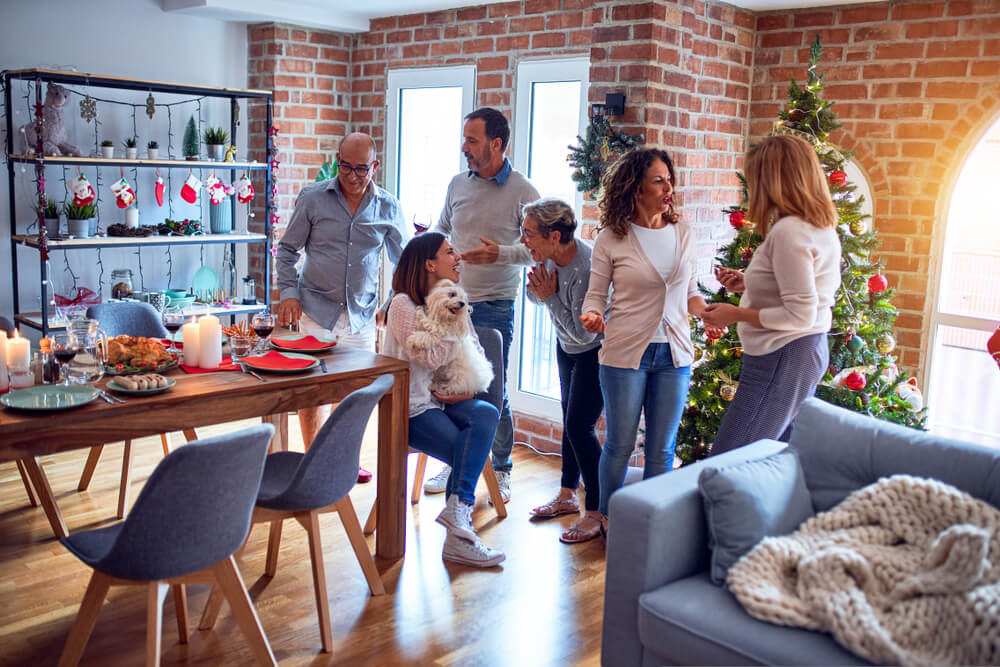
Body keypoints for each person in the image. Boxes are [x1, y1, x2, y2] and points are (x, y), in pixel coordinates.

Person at [580, 148, 723, 533]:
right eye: (658, 180)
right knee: (620, 445)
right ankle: (610, 520)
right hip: (625, 352)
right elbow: (596, 294)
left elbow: (690, 294)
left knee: (662, 448)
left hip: (674, 355)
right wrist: (592, 315)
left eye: (669, 179)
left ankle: (650, 527)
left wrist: (706, 314)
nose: (668, 187)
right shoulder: (612, 237)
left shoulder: (683, 232)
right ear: (635, 186)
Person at [276, 132, 407, 481]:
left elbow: (405, 263)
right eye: (345, 166)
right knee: (313, 392)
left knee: (354, 397)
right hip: (314, 310)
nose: (352, 176)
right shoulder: (313, 199)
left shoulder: (389, 207)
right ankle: (314, 463)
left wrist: (392, 301)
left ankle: (343, 459)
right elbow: (287, 250)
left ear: (374, 166)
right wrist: (289, 292)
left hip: (361, 316)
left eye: (361, 169)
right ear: (337, 161)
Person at [424, 107, 540, 502]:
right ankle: (458, 458)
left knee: (493, 391)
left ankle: (502, 469)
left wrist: (501, 255)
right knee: (450, 384)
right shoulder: (458, 184)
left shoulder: (524, 192)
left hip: (493, 306)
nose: (464, 148)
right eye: (464, 139)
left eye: (471, 140)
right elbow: (443, 226)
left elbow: (538, 250)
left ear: (496, 143)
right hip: (448, 304)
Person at [702, 134, 841, 454]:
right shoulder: (818, 225)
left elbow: (799, 314)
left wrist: (734, 313)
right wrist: (750, 282)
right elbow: (803, 288)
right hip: (801, 351)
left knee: (729, 460)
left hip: (783, 354)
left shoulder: (790, 231)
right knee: (770, 456)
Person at [384, 231, 505, 567]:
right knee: (465, 450)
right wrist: (455, 320)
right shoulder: (402, 305)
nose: (458, 258)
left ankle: (458, 519)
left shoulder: (453, 303)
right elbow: (430, 358)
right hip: (408, 408)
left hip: (441, 401)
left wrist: (467, 392)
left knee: (485, 413)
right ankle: (459, 534)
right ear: (429, 264)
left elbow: (477, 353)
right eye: (450, 252)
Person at [520, 198, 604, 544]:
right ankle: (568, 494)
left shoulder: (586, 269)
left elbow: (584, 333)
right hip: (566, 348)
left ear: (554, 235)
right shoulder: (549, 258)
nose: (524, 241)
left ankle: (599, 509)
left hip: (595, 353)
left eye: (529, 234)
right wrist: (543, 294)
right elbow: (532, 294)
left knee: (578, 426)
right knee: (570, 418)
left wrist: (549, 298)